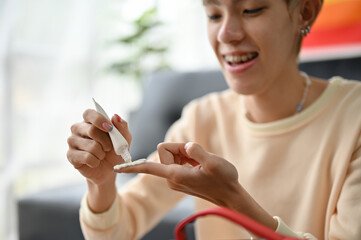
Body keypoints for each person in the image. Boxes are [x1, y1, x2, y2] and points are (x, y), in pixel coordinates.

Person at [67, 0, 361, 239]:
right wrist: (101, 183)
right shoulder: (201, 118)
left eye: (251, 10)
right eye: (214, 14)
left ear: (304, 12)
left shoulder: (354, 116)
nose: (226, 33)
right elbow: (117, 232)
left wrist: (233, 200)